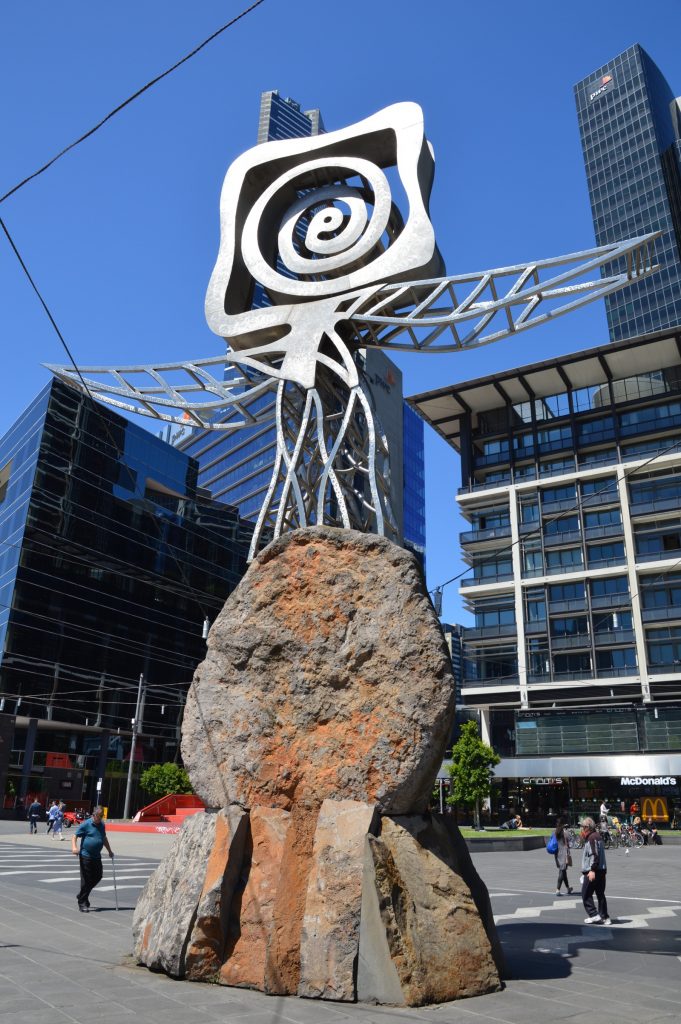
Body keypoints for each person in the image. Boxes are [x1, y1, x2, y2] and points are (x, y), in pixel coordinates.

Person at [71, 807, 113, 912]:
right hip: (85, 856)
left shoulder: (102, 825)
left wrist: (109, 851)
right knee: (86, 880)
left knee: (98, 876)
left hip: (96, 856)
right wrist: (74, 847)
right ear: (93, 815)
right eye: (98, 817)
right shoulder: (86, 824)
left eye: (101, 817)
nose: (99, 819)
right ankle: (82, 903)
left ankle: (81, 895)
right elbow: (74, 836)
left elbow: (103, 838)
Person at [580, 816, 611, 925]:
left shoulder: (591, 838)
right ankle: (605, 917)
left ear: (588, 827)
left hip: (594, 870)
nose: (582, 829)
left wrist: (592, 870)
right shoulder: (597, 836)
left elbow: (595, 855)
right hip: (602, 870)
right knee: (600, 894)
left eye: (583, 827)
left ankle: (594, 915)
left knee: (585, 894)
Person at [553, 816, 573, 896]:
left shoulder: (555, 832)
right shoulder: (565, 832)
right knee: (562, 871)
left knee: (563, 871)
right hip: (564, 853)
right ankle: (557, 889)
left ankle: (568, 888)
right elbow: (570, 841)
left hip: (557, 853)